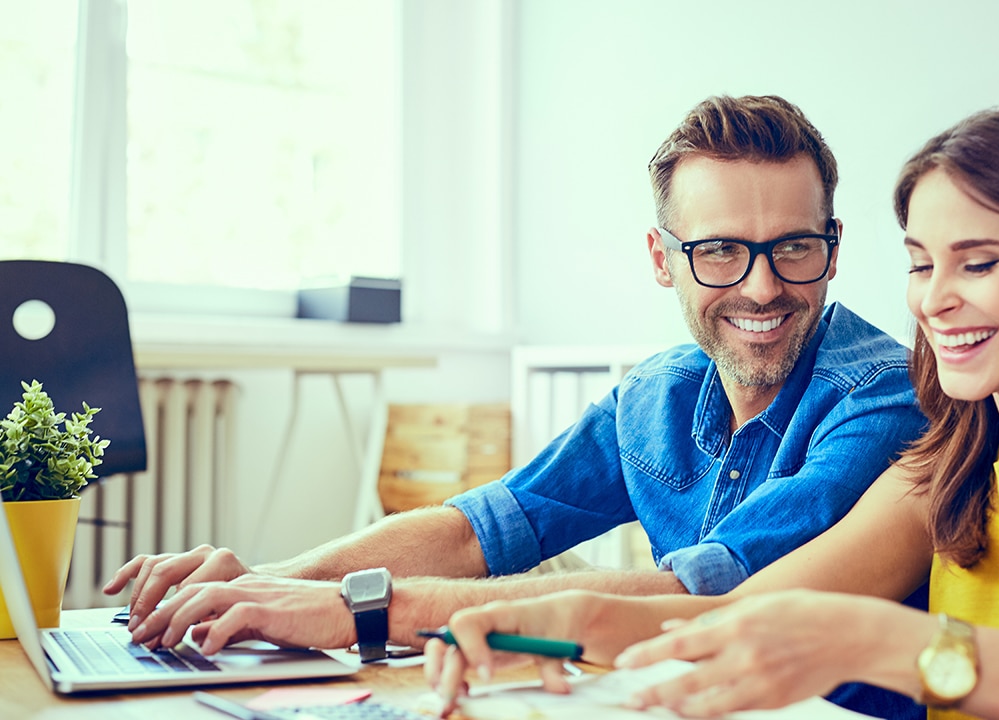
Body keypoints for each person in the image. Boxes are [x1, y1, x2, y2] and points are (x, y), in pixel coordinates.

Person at [427, 99, 999, 720]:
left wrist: (875, 644)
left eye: (977, 263)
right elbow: (738, 612)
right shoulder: (948, 465)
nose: (935, 301)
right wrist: (551, 621)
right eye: (920, 263)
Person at [107, 95, 929, 718]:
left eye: (793, 246)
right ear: (662, 258)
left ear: (832, 248)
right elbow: (481, 529)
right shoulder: (656, 393)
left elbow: (711, 594)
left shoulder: (884, 398)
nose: (761, 285)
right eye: (718, 249)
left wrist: (349, 608)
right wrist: (267, 581)